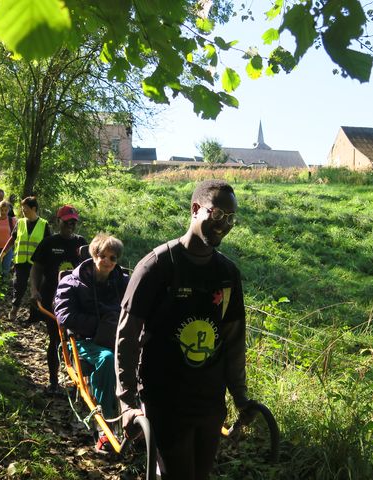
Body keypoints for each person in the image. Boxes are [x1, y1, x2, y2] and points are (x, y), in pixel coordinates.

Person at [115, 179, 253, 480]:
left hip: (209, 402)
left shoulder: (227, 274)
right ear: (195, 209)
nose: (224, 224)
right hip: (165, 400)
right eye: (217, 215)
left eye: (230, 218)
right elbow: (126, 338)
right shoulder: (156, 267)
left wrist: (240, 397)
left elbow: (233, 340)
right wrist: (126, 401)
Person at [54, 233, 128, 453]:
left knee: (145, 358)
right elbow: (65, 317)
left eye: (112, 258)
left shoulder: (122, 282)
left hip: (117, 338)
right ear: (94, 254)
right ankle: (105, 428)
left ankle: (140, 423)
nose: (107, 261)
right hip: (84, 342)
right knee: (106, 360)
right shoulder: (73, 282)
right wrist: (101, 325)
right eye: (103, 255)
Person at [30, 205, 87, 394]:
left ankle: (80, 383)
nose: (70, 225)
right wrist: (34, 290)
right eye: (66, 222)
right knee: (55, 338)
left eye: (73, 222)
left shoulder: (81, 244)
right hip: (51, 299)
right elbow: (36, 268)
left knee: (77, 339)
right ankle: (54, 382)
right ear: (58, 221)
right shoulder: (48, 243)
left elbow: (89, 269)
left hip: (77, 300)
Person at [0, 196, 51, 321]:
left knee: (36, 289)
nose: (23, 211)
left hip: (37, 264)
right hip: (21, 262)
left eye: (26, 209)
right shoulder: (20, 222)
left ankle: (33, 316)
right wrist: (2, 254)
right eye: (22, 209)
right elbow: (12, 239)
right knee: (18, 286)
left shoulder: (44, 225)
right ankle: (13, 311)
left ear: (33, 208)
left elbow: (48, 245)